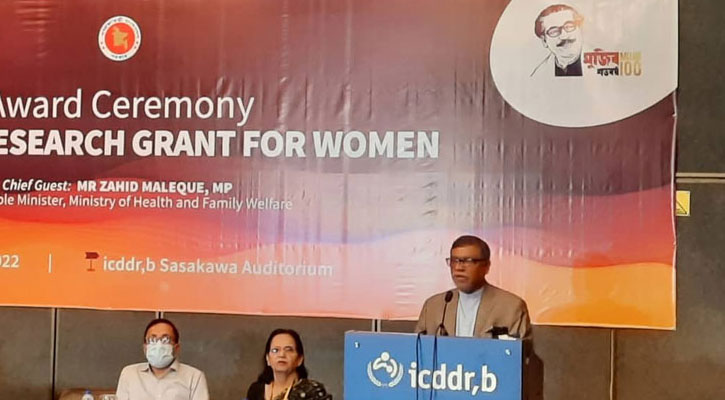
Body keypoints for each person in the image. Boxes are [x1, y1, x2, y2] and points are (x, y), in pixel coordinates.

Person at [415, 235, 532, 339]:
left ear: (486, 266)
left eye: (468, 261)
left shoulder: (511, 307)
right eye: (454, 261)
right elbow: (415, 350)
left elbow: (522, 354)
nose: (458, 267)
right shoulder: (433, 307)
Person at [115, 318, 209, 400]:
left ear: (176, 347)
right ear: (145, 348)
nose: (158, 345)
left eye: (165, 340)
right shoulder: (129, 374)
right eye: (152, 340)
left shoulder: (194, 377)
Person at [246, 329, 331, 400]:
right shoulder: (256, 391)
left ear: (299, 359)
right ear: (268, 359)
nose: (281, 355)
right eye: (275, 350)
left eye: (289, 350)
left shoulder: (311, 391)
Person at [531, 4, 584, 77]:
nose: (564, 36)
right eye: (554, 31)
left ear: (580, 29)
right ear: (544, 41)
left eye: (569, 26)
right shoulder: (538, 74)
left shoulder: (598, 61)